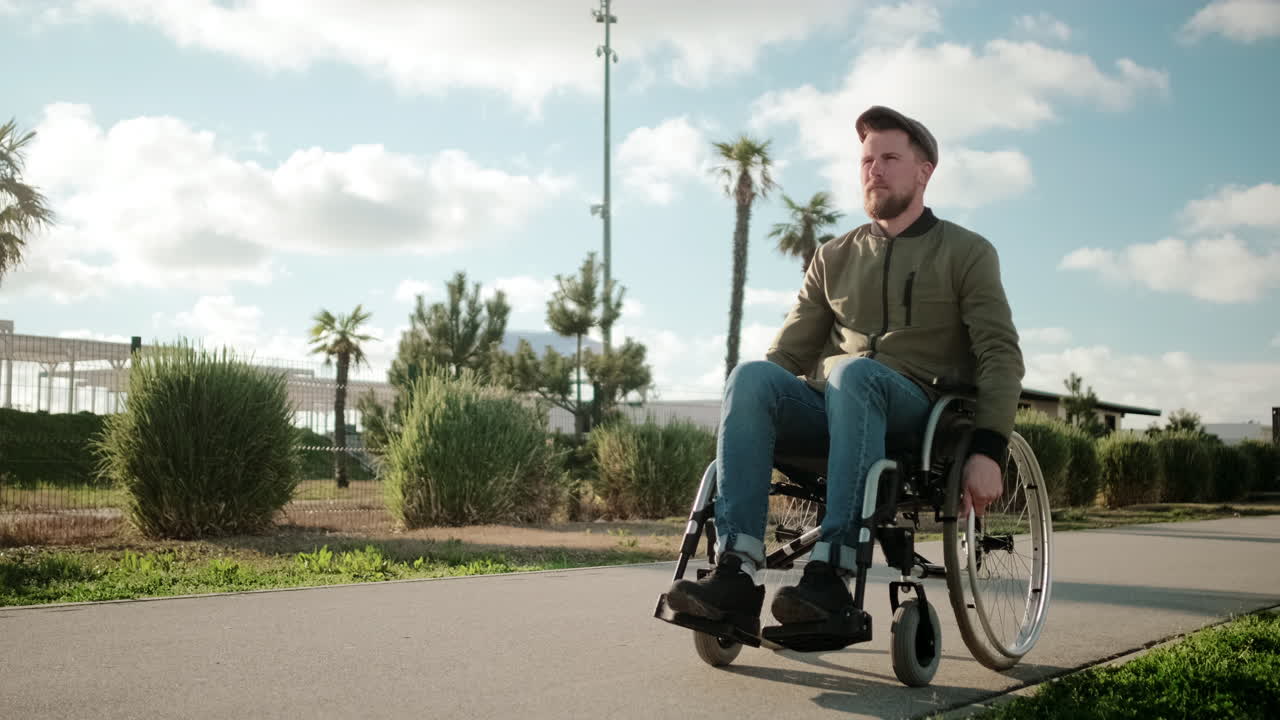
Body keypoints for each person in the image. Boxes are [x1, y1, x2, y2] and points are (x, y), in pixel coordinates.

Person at [666, 105, 1025, 636]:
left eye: (889, 158)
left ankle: (831, 577)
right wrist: (746, 423)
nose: (874, 170)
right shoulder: (833, 256)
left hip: (919, 413)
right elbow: (786, 356)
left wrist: (989, 449)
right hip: (836, 404)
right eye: (866, 161)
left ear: (924, 171)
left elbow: (1000, 353)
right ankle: (735, 575)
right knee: (750, 377)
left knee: (855, 375)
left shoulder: (966, 252)